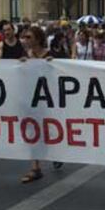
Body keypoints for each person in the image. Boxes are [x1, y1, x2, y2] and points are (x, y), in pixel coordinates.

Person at [19, 26, 63, 183]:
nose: (26, 40)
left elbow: (61, 74)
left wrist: (53, 65)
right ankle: (35, 167)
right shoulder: (25, 56)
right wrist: (22, 66)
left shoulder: (51, 55)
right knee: (33, 132)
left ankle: (57, 153)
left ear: (38, 38)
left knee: (50, 130)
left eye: (29, 37)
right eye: (25, 37)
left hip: (48, 100)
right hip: (31, 99)